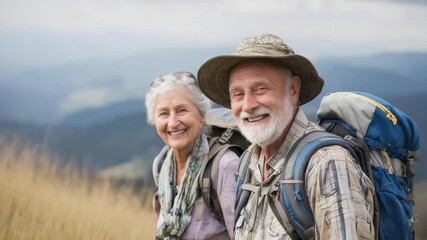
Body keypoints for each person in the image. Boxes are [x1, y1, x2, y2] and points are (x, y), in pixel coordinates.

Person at [197, 34, 375, 239]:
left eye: (260, 89)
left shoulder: (327, 164)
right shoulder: (249, 162)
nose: (247, 105)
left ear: (293, 89)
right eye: (238, 94)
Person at [145, 71, 238, 240]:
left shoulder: (225, 166)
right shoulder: (161, 165)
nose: (172, 123)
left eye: (181, 110)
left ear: (201, 116)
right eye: (163, 113)